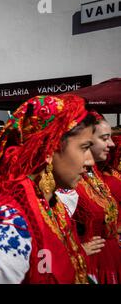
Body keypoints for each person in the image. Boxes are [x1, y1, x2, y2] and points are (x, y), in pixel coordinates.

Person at [0, 94, 95, 284]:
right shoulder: (7, 223)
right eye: (84, 147)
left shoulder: (50, 204)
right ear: (49, 150)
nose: (91, 161)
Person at [72, 114, 120, 284]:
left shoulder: (95, 174)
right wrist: (77, 251)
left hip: (110, 260)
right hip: (92, 266)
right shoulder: (70, 179)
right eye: (104, 138)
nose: (112, 144)